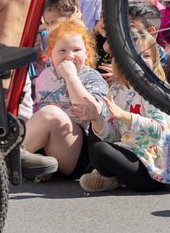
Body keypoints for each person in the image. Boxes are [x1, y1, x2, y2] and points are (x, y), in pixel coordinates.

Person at [75, 31, 170, 192]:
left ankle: (112, 179)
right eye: (132, 55)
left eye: (146, 56)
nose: (139, 60)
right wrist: (96, 119)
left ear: (155, 61)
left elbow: (161, 130)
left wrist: (124, 116)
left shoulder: (155, 90)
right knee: (96, 131)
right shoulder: (116, 90)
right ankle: (113, 179)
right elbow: (113, 137)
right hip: (127, 152)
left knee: (101, 149)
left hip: (152, 170)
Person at [27, 19, 111, 180]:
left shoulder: (92, 77)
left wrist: (70, 77)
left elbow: (92, 111)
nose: (70, 56)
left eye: (76, 50)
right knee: (39, 116)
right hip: (49, 146)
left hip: (79, 151)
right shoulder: (44, 76)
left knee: (50, 113)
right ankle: (35, 164)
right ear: (50, 55)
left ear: (86, 53)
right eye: (62, 50)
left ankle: (8, 162)